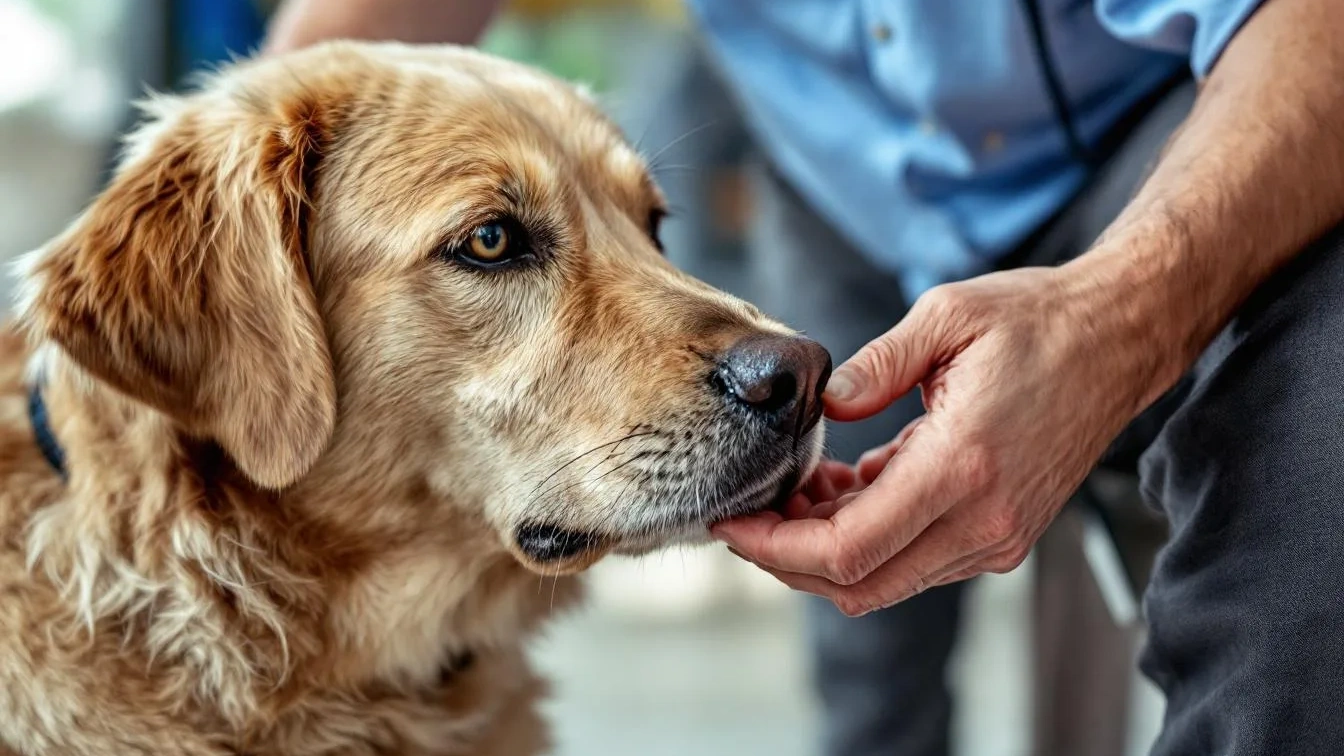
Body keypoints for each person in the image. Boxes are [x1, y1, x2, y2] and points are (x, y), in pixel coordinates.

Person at [267, 2, 1344, 755]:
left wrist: (1118, 319)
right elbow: (332, 56)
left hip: (1179, 144)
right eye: (496, 243)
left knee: (1315, 440)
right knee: (867, 662)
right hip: (842, 189)